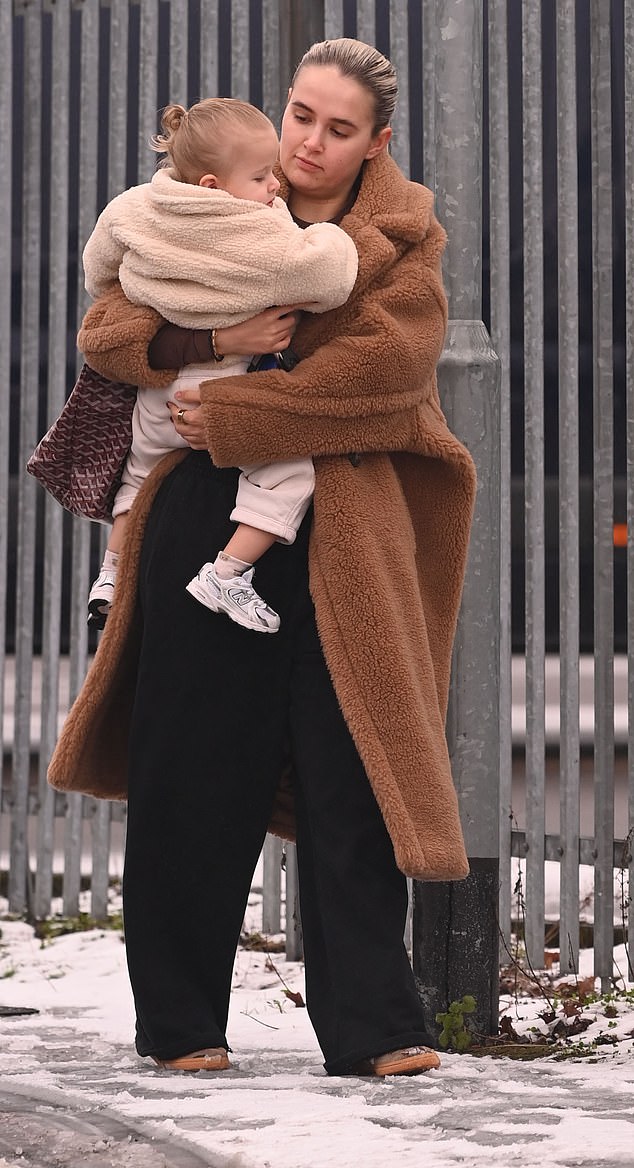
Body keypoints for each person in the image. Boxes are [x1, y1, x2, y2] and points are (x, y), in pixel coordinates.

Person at [49, 38, 477, 1077]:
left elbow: (386, 374)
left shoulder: (401, 239)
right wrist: (207, 338)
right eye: (299, 116)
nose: (309, 144)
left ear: (375, 142)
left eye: (337, 129)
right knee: (189, 764)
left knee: (352, 773)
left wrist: (231, 406)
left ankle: (376, 1027)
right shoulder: (199, 202)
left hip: (345, 528)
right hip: (200, 518)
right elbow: (107, 331)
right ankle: (182, 1023)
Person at [82, 97, 358, 633]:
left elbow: (99, 269)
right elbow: (328, 277)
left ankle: (111, 573)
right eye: (260, 177)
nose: (273, 187)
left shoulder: (137, 208)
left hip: (157, 395)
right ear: (213, 186)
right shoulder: (257, 236)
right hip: (221, 385)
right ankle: (229, 572)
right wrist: (324, 236)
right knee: (286, 474)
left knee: (137, 478)